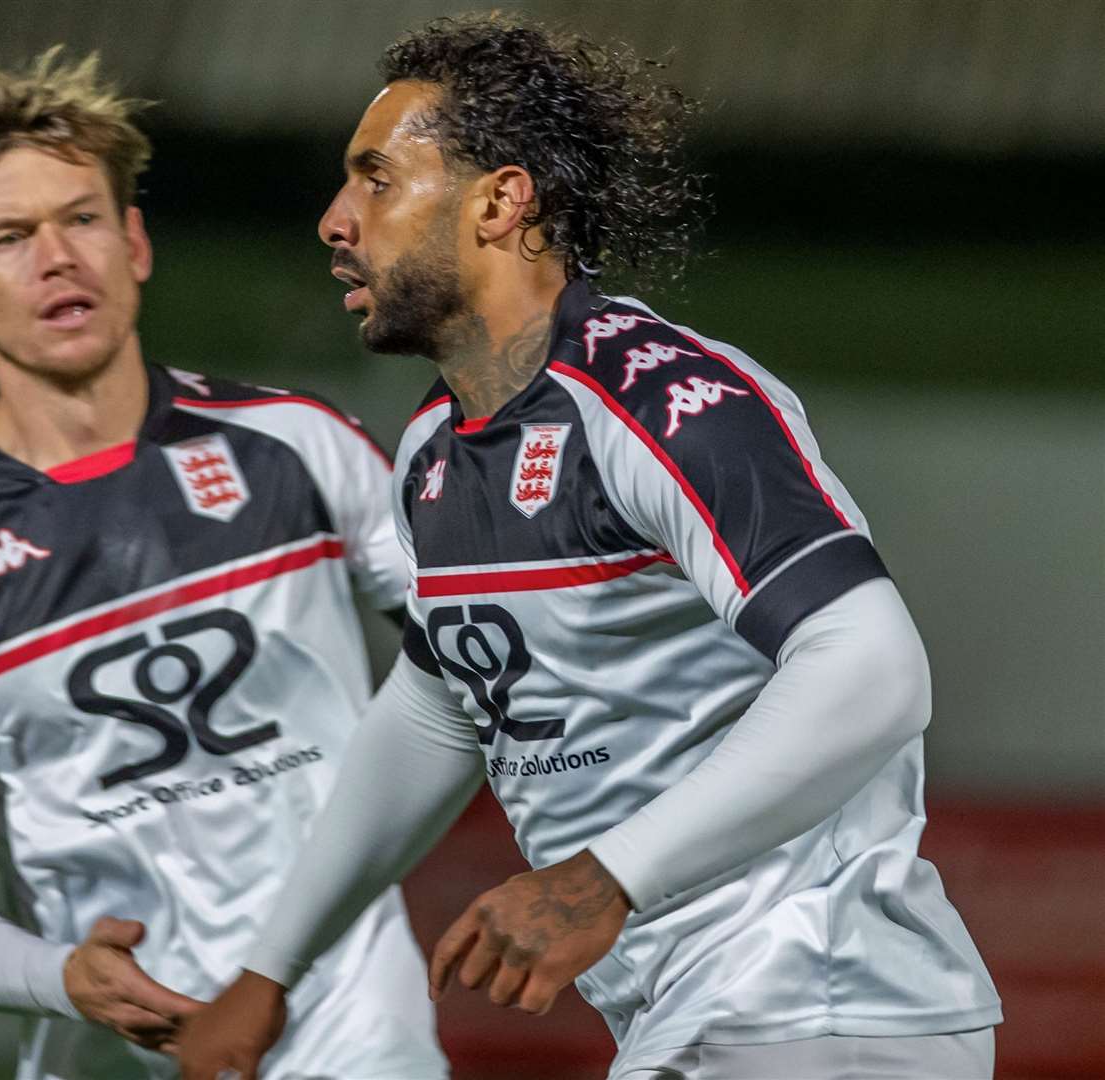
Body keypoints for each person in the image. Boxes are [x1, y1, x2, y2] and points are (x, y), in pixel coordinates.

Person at [180, 14, 1001, 1080]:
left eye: (376, 180)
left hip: (822, 998)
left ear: (501, 200)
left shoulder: (661, 400)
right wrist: (269, 971)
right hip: (703, 1017)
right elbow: (435, 712)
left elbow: (874, 669)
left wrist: (601, 878)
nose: (337, 220)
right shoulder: (437, 451)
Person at [0, 48, 447, 1080]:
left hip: (358, 1039)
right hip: (107, 1056)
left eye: (80, 220)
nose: (57, 258)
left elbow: (497, 648)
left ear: (134, 241)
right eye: (10, 237)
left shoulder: (298, 446)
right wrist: (56, 975)